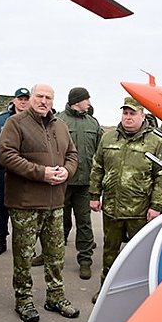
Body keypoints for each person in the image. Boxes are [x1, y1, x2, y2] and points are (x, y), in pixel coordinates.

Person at [0, 84, 80, 322]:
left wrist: (67, 171)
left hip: (55, 203)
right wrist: (41, 173)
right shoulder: (16, 123)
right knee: (23, 256)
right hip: (25, 203)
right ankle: (23, 299)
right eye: (39, 96)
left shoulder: (61, 126)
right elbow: (6, 156)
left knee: (55, 254)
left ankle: (55, 296)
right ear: (31, 98)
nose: (44, 101)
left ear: (54, 101)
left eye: (48, 97)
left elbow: (72, 155)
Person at [89, 97, 162, 303]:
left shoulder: (157, 142)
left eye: (132, 113)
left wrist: (156, 206)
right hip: (111, 207)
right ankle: (105, 291)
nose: (128, 117)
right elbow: (98, 167)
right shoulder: (108, 139)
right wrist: (94, 195)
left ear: (142, 116)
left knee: (139, 256)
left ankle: (138, 296)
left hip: (140, 211)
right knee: (110, 251)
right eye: (125, 113)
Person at [55, 87, 104, 280]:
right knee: (58, 222)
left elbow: (100, 155)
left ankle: (85, 260)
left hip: (85, 184)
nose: (89, 103)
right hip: (62, 183)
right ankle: (52, 256)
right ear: (78, 101)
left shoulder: (93, 123)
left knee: (84, 223)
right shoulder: (59, 121)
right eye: (87, 99)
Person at [0, 87, 31, 257]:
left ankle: (27, 244)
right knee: (2, 207)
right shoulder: (1, 119)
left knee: (26, 209)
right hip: (4, 171)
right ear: (14, 100)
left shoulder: (34, 119)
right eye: (20, 98)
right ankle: (1, 240)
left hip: (27, 172)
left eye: (26, 99)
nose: (23, 102)